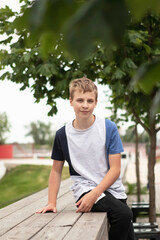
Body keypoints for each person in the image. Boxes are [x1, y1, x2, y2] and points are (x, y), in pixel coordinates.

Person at [36, 76, 135, 240]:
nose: (85, 105)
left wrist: (95, 194)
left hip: (109, 188)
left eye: (90, 101)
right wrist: (51, 202)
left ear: (96, 103)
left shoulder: (108, 128)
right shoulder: (62, 135)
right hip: (85, 188)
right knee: (124, 214)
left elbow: (115, 169)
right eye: (80, 100)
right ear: (71, 101)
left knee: (127, 224)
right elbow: (56, 170)